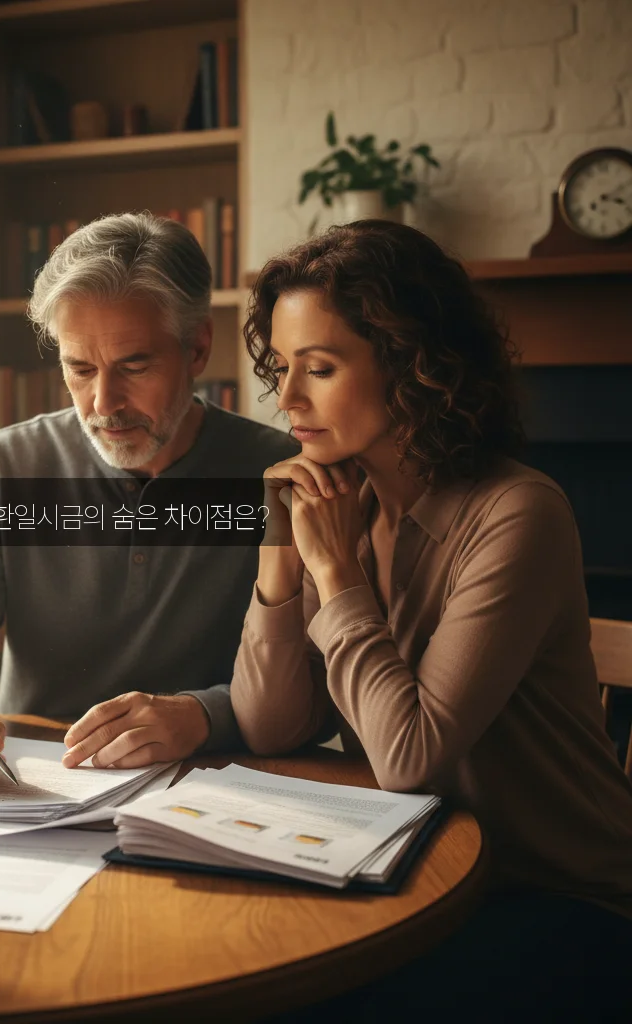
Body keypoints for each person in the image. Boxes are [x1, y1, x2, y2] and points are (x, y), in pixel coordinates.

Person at [232, 220, 632, 1019]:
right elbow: (271, 728)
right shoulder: (342, 503)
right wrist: (281, 558)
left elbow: (409, 756)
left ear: (412, 362)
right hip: (412, 869)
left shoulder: (518, 513)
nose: (289, 399)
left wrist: (337, 575)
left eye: (320, 367)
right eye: (281, 369)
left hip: (562, 900)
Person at [0, 212, 295, 788]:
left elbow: (318, 687)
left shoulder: (279, 477)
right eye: (79, 368)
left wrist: (203, 715)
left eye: (134, 366)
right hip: (29, 794)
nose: (103, 403)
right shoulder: (5, 468)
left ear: (198, 348)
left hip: (218, 791)